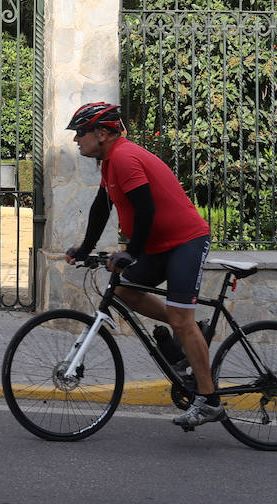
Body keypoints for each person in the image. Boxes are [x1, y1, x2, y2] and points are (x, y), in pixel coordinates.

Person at [62, 101, 224, 429]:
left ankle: (209, 399)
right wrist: (84, 249)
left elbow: (146, 209)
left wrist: (130, 253)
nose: (77, 139)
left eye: (80, 132)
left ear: (102, 133)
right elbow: (100, 208)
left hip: (185, 242)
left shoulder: (123, 157)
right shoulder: (110, 163)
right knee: (124, 291)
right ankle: (188, 340)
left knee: (181, 318)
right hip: (159, 245)